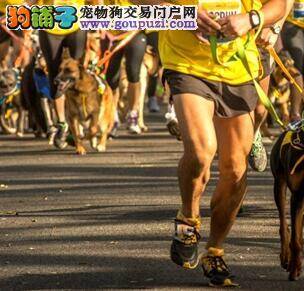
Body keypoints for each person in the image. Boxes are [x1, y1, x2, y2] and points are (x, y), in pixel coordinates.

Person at [137, 0, 287, 286]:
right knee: (202, 150)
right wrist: (183, 14)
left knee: (235, 170)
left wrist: (253, 18)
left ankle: (215, 251)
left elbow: (279, 4)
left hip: (239, 66)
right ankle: (189, 218)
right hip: (187, 63)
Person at [248, 0, 294, 172]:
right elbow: (158, 12)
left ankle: (253, 134)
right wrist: (192, 20)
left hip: (257, 39)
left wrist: (275, 28)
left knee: (260, 110)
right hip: (204, 51)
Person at [38, 0, 89, 149]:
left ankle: (77, 124)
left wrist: (96, 28)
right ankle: (62, 124)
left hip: (77, 22)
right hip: (49, 24)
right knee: (56, 75)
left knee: (77, 73)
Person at [101, 0, 148, 135]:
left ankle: (133, 114)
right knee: (111, 78)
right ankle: (113, 116)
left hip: (135, 32)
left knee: (133, 73)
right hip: (111, 34)